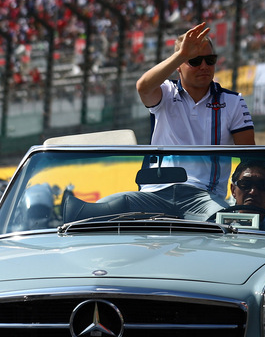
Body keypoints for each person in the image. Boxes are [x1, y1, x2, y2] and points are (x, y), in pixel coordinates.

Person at [63, 22, 254, 223]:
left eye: (210, 59)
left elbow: (250, 158)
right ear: (178, 66)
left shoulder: (233, 102)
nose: (204, 66)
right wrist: (181, 54)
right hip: (154, 193)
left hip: (204, 196)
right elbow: (143, 87)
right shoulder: (166, 92)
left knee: (225, 223)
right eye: (195, 60)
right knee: (91, 214)